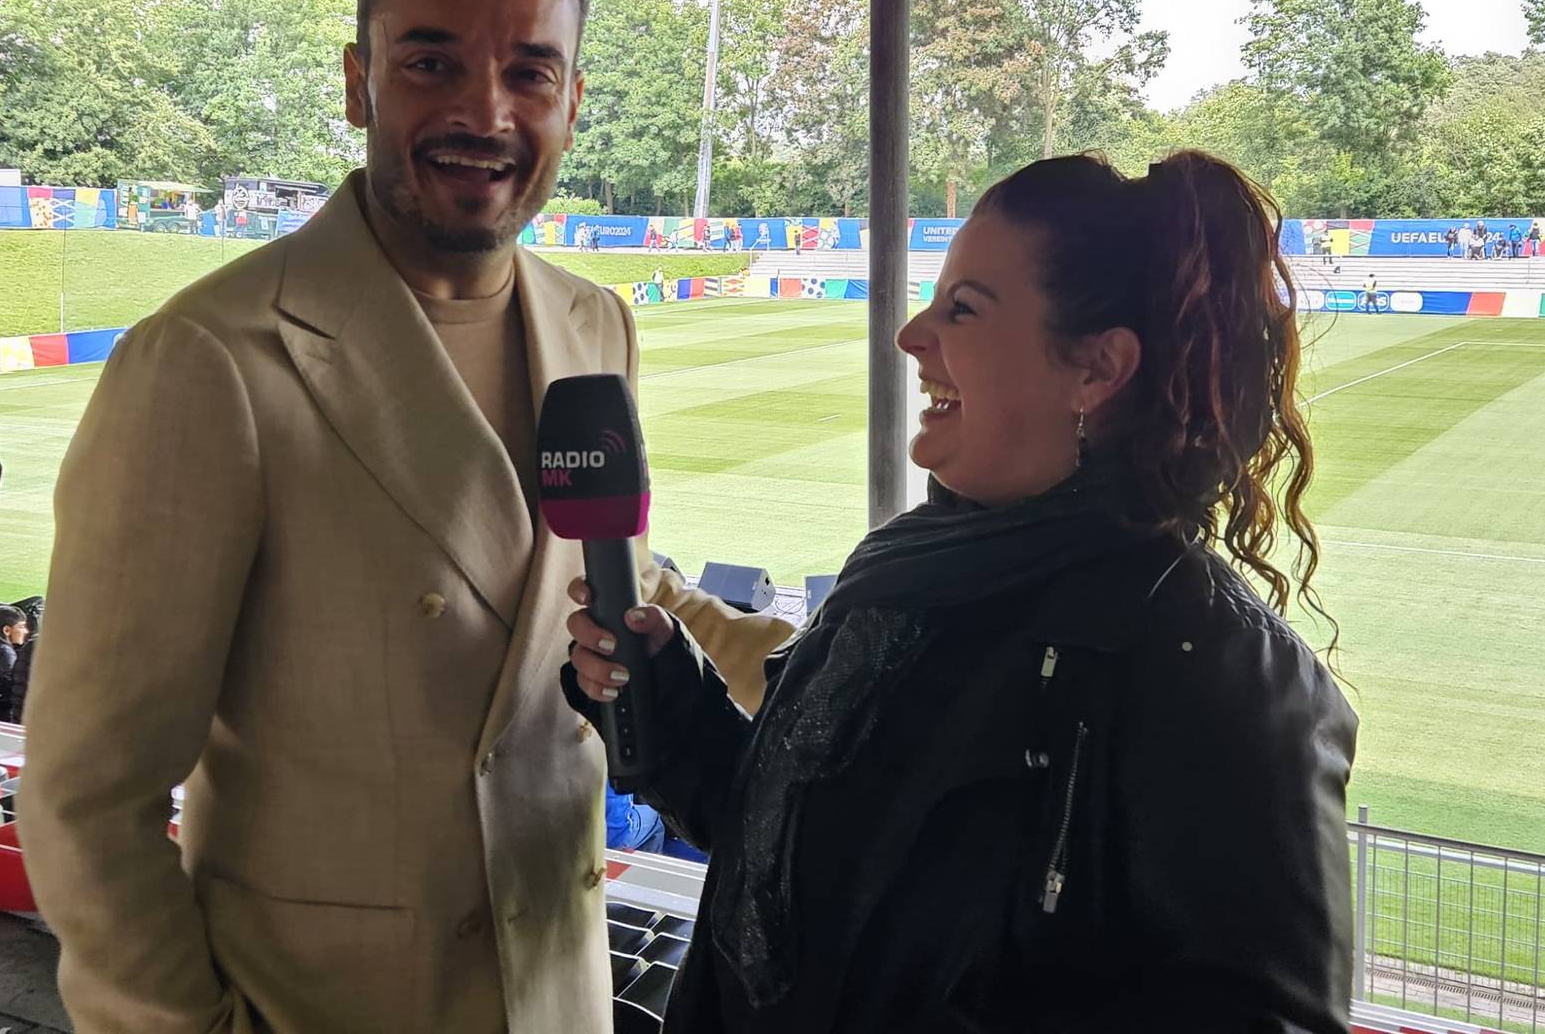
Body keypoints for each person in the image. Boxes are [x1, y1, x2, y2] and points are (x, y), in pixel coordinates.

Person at [21, 0, 691, 1033]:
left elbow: (601, 586)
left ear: (574, 101)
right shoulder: (211, 361)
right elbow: (87, 798)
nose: (485, 111)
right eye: (430, 60)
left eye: (529, 70)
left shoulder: (596, 325)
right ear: (356, 81)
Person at [564, 151, 1359, 1032]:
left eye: (963, 309)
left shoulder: (1219, 667)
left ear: (1096, 369)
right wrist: (672, 702)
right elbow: (789, 857)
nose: (911, 335)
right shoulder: (897, 576)